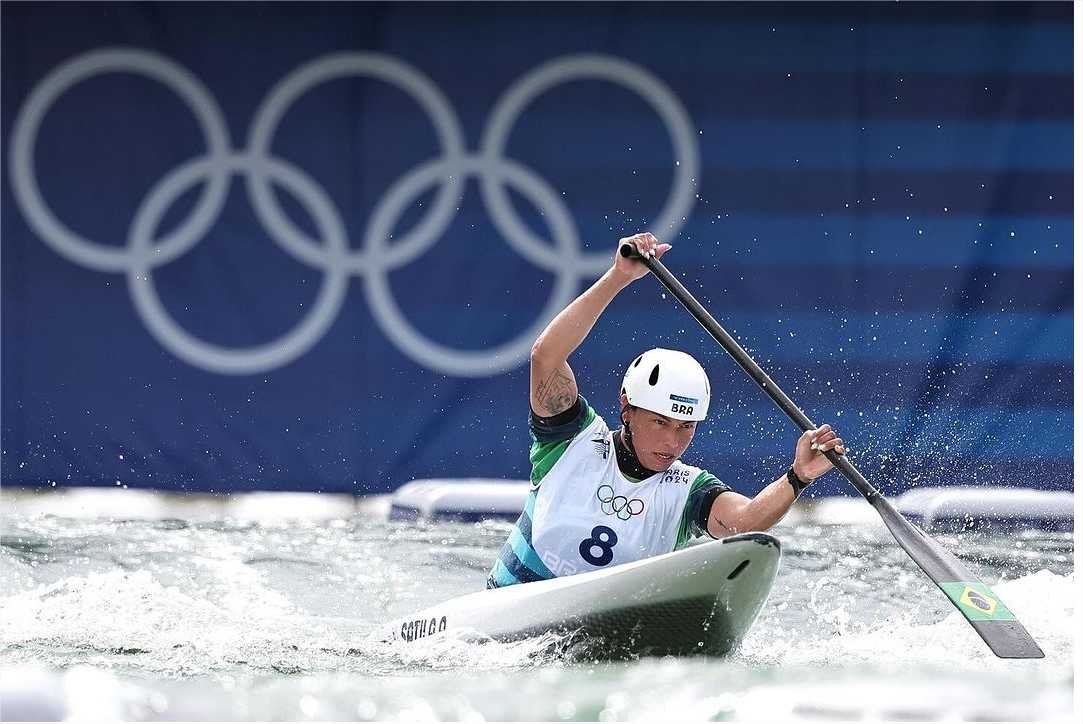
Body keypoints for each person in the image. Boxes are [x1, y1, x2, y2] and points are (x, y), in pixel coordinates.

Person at [487, 232, 847, 589]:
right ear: (627, 407)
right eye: (661, 422)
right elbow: (546, 356)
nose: (673, 441)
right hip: (503, 615)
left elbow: (744, 522)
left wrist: (798, 476)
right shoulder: (571, 440)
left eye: (685, 427)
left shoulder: (688, 490)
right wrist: (619, 277)